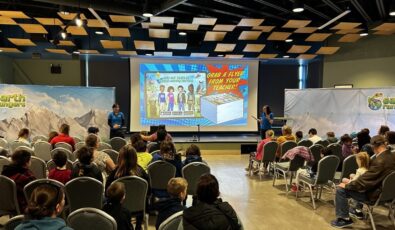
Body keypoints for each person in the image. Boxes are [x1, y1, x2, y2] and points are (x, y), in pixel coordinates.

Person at [331, 135, 395, 228]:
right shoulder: (392, 156)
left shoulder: (380, 161)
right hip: (390, 195)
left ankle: (344, 219)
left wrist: (347, 185)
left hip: (375, 196)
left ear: (373, 147)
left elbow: (363, 182)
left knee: (341, 190)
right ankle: (356, 210)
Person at [105, 145, 149, 230]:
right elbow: (149, 192)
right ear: (135, 157)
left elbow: (107, 192)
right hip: (139, 208)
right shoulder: (141, 173)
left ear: (120, 157)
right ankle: (138, 226)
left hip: (118, 209)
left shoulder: (114, 173)